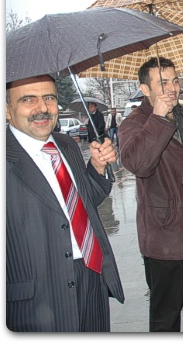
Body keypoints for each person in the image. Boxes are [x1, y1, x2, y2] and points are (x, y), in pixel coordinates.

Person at [6, 75, 124, 331]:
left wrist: (97, 167)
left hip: (91, 277)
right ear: (7, 109)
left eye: (49, 98)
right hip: (37, 300)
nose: (42, 108)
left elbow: (80, 205)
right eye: (28, 99)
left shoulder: (66, 145)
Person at [119, 57, 183, 332]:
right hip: (165, 238)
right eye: (163, 82)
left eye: (175, 80)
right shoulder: (134, 123)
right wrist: (157, 118)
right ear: (145, 89)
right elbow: (139, 164)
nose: (172, 88)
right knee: (166, 318)